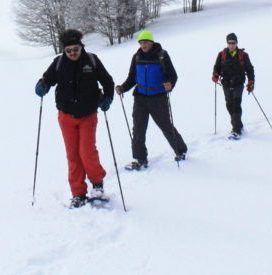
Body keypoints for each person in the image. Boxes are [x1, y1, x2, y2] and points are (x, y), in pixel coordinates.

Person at [35, 29, 115, 208]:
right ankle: (78, 193)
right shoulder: (58, 63)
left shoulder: (92, 60)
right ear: (64, 50)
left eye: (75, 49)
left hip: (88, 114)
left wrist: (107, 98)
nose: (72, 53)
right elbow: (47, 79)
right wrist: (42, 85)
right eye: (69, 50)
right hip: (66, 116)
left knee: (86, 151)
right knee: (72, 155)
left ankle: (97, 184)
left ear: (81, 48)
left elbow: (107, 82)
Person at [115, 30, 187, 169]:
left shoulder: (162, 55)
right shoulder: (136, 57)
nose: (143, 44)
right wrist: (123, 88)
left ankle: (181, 151)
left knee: (166, 126)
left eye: (146, 42)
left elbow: (173, 75)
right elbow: (132, 78)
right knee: (138, 130)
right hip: (140, 99)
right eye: (141, 42)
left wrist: (170, 84)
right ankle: (140, 159)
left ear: (152, 42)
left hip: (158, 98)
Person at [212, 32, 255, 139]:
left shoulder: (243, 56)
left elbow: (250, 70)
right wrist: (215, 75)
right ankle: (238, 125)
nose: (231, 45)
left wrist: (251, 82)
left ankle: (236, 130)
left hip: (238, 83)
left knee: (236, 104)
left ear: (236, 43)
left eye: (233, 43)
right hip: (226, 83)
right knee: (229, 105)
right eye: (229, 43)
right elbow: (216, 67)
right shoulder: (221, 55)